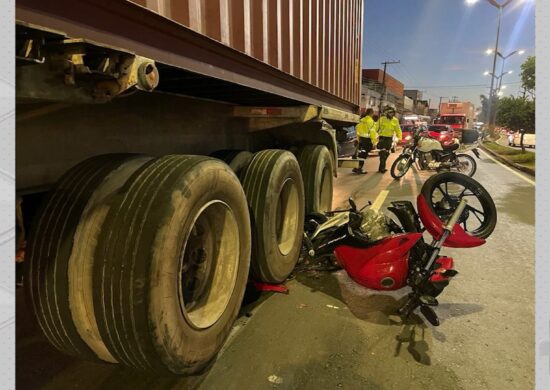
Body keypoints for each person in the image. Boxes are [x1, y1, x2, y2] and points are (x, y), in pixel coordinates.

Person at [374, 106, 402, 173]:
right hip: (382, 138)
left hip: (389, 139)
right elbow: (375, 128)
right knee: (382, 153)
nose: (391, 114)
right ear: (386, 113)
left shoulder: (395, 120)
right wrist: (374, 137)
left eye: (392, 113)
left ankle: (381, 166)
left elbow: (398, 129)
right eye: (390, 113)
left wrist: (400, 137)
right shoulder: (382, 119)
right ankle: (382, 168)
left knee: (387, 153)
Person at [352, 108, 377, 174]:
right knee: (363, 155)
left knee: (359, 154)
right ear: (371, 113)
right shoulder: (371, 121)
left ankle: (355, 168)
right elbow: (373, 133)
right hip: (367, 141)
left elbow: (357, 129)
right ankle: (359, 168)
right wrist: (374, 142)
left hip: (361, 139)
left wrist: (358, 139)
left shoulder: (361, 120)